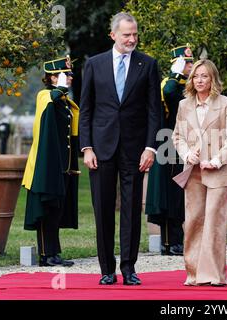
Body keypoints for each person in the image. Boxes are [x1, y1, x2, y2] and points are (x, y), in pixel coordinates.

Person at [79, 12, 161, 285]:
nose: (132, 39)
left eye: (135, 34)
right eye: (126, 34)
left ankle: (128, 268)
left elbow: (154, 111)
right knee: (102, 209)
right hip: (100, 149)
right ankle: (106, 269)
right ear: (113, 34)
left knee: (131, 209)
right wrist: (86, 147)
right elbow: (87, 109)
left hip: (135, 149)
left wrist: (151, 147)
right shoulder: (94, 64)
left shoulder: (148, 64)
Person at [172, 59, 227, 286]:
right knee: (193, 221)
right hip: (193, 171)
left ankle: (214, 275)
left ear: (213, 79)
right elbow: (177, 137)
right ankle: (193, 273)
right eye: (195, 76)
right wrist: (186, 154)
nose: (199, 80)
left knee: (213, 221)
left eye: (204, 76)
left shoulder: (225, 104)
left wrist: (216, 160)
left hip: (219, 171)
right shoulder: (184, 105)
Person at [21, 56, 78, 267]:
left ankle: (54, 253)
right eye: (66, 75)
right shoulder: (45, 96)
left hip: (61, 164)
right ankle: (46, 254)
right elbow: (51, 100)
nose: (70, 78)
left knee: (56, 210)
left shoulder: (63, 101)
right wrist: (60, 88)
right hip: (45, 166)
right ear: (53, 77)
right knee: (46, 210)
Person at [145, 45, 194, 256]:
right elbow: (168, 93)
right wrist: (176, 72)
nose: (190, 66)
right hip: (168, 146)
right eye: (187, 62)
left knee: (180, 194)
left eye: (190, 62)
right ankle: (169, 241)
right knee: (169, 194)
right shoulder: (169, 83)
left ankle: (178, 239)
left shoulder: (188, 85)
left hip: (186, 145)